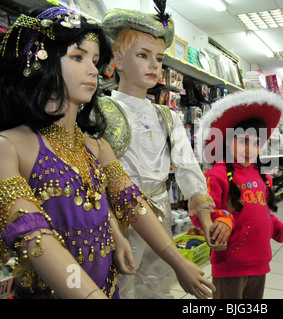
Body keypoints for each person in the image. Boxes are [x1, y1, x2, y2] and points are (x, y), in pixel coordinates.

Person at [0, 5, 213, 299]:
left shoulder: (95, 146)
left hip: (110, 279)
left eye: (95, 60)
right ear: (41, 60)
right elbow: (35, 236)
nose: (93, 70)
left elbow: (131, 202)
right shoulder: (10, 146)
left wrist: (177, 260)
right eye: (78, 57)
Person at [100, 3, 219, 299]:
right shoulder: (102, 110)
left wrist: (205, 217)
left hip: (162, 215)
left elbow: (188, 167)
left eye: (159, 58)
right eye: (143, 55)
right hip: (118, 218)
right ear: (117, 58)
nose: (154, 65)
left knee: (157, 284)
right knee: (120, 286)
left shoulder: (168, 116)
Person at [192, 89, 283, 299]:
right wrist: (222, 218)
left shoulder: (262, 177)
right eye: (244, 140)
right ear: (228, 141)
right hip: (230, 265)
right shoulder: (217, 175)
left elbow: (263, 217)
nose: (251, 148)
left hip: (259, 264)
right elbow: (197, 211)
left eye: (257, 143)